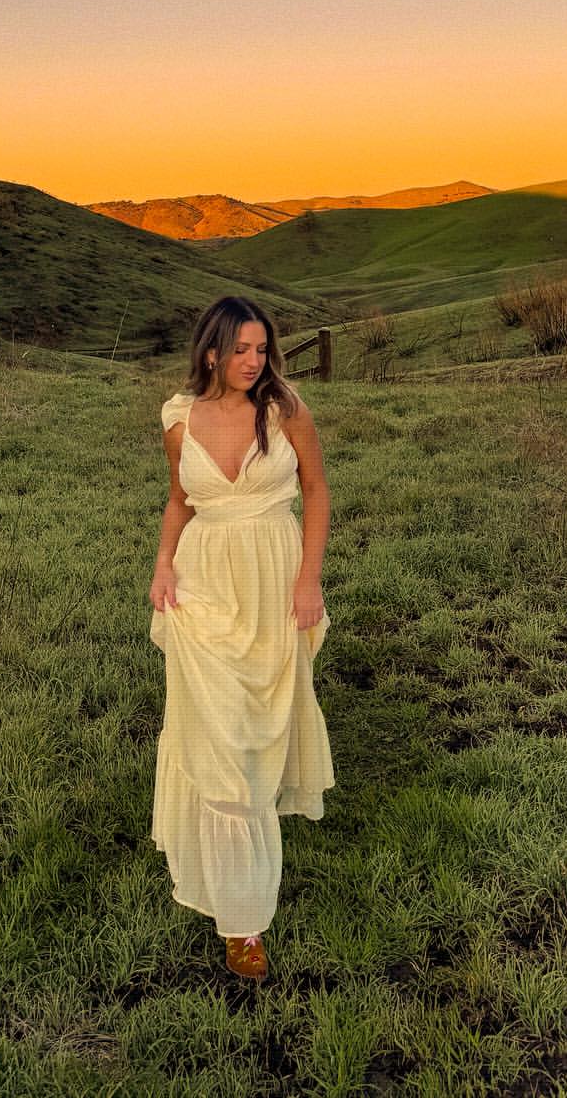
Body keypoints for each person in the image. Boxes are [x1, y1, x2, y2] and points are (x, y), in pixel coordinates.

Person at [148, 295, 334, 981]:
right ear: (211, 353)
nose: (254, 361)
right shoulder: (179, 421)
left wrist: (309, 580)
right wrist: (162, 565)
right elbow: (179, 501)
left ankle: (242, 877)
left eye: (262, 349)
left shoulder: (286, 411)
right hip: (203, 587)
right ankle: (243, 921)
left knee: (258, 737)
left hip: (273, 586)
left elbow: (316, 491)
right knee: (219, 742)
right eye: (241, 350)